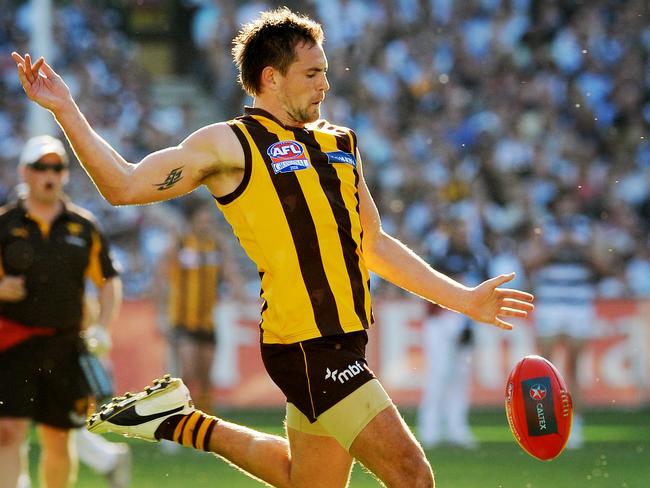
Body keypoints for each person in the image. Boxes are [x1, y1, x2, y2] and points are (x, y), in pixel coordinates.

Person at [12, 8, 534, 487]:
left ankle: (178, 421)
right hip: (306, 343)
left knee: (302, 479)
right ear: (270, 78)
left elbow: (372, 244)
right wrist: (65, 109)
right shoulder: (230, 143)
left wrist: (463, 299)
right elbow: (123, 186)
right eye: (312, 74)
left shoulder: (341, 144)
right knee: (413, 477)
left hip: (347, 338)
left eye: (326, 71)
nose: (325, 84)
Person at [0, 135, 125, 488]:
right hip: (14, 345)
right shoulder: (5, 224)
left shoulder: (83, 226)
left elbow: (109, 281)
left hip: (66, 346)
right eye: (41, 167)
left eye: (57, 167)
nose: (49, 174)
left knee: (59, 438)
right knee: (7, 432)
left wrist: (102, 326)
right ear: (25, 172)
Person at [522, 189, 603, 449]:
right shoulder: (544, 229)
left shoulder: (587, 229)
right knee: (543, 368)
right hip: (551, 304)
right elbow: (530, 263)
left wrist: (582, 246)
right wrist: (556, 247)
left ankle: (575, 426)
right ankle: (542, 425)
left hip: (578, 304)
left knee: (574, 368)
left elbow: (602, 264)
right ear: (556, 206)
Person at [157, 200, 243, 413]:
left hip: (207, 320)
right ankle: (176, 418)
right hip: (182, 320)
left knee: (205, 377)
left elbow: (231, 274)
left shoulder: (217, 245)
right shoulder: (179, 243)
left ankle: (206, 424)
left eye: (208, 220)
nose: (206, 224)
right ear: (192, 220)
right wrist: (161, 314)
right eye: (202, 219)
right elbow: (160, 279)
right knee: (187, 371)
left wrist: (237, 291)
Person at [417, 218, 489, 449]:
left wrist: (469, 324)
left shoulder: (477, 256)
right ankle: (429, 429)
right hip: (440, 319)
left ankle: (457, 427)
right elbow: (430, 282)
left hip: (465, 319)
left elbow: (484, 289)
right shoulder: (440, 252)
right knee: (439, 373)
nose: (462, 235)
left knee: (460, 375)